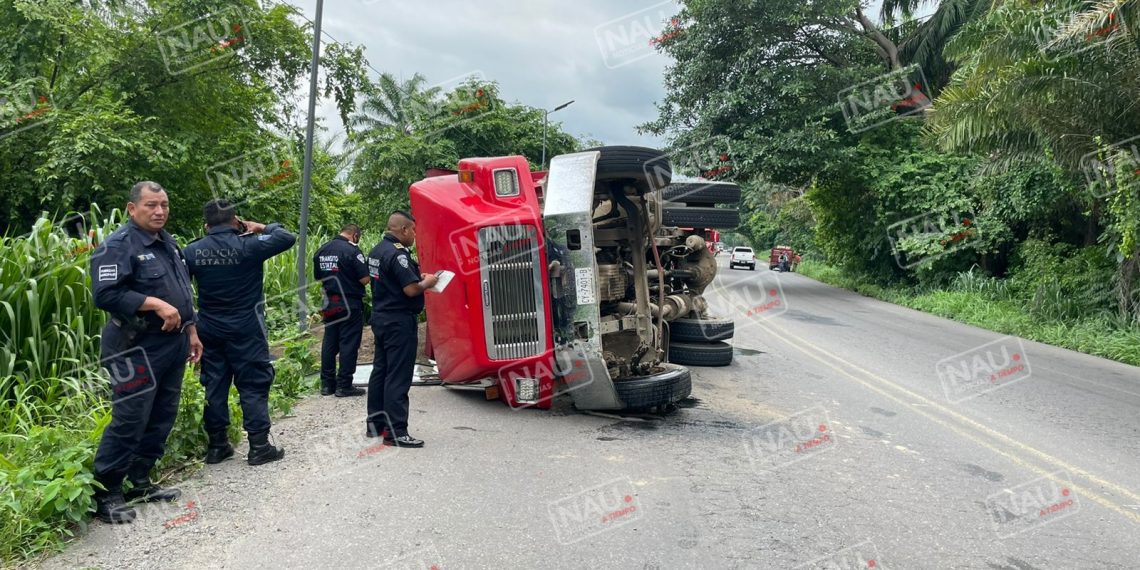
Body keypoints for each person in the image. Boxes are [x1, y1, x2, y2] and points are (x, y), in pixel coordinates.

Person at [89, 181, 203, 524]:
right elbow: (105, 294)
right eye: (151, 205)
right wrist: (152, 303)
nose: (159, 211)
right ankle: (106, 492)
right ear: (131, 208)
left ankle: (139, 480)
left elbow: (183, 291)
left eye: (164, 205)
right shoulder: (118, 247)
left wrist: (192, 331)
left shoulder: (167, 243)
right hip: (132, 347)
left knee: (161, 414)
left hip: (172, 342)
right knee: (130, 417)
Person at [183, 199, 296, 466]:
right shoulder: (250, 245)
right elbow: (286, 237)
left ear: (206, 225)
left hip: (209, 327)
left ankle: (217, 446)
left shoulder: (192, 251)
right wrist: (260, 226)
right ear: (236, 221)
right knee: (253, 382)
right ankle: (258, 446)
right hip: (246, 327)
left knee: (214, 384)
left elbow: (181, 289)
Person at [365, 211, 437, 447]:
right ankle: (396, 431)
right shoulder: (398, 254)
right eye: (414, 230)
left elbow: (392, 280)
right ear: (404, 229)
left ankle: (375, 424)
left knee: (381, 371)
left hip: (381, 317)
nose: (415, 235)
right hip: (398, 321)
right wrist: (428, 282)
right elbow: (411, 290)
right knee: (398, 375)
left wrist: (418, 277)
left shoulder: (376, 251)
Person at [313, 224, 370, 397]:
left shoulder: (322, 250)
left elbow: (318, 277)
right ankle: (344, 385)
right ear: (354, 235)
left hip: (330, 302)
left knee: (330, 342)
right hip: (349, 302)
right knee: (349, 343)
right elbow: (365, 279)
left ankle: (327, 384)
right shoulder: (353, 251)